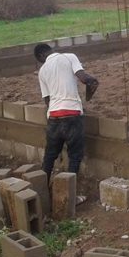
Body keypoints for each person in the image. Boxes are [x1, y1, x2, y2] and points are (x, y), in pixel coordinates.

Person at [33, 43, 99, 184]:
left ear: (41, 56)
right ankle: (70, 195)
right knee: (74, 157)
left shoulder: (42, 71)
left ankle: (42, 191)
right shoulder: (69, 57)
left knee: (49, 156)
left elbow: (48, 101)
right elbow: (83, 77)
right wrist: (92, 83)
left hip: (54, 117)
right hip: (72, 115)